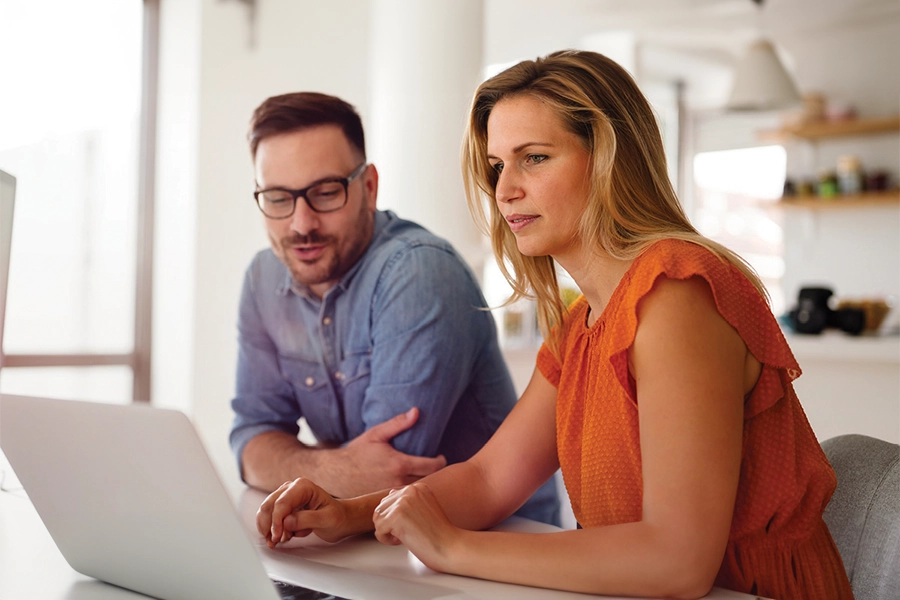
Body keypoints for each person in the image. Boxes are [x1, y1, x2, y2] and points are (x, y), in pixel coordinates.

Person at [256, 53, 856, 599]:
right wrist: (349, 512)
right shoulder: (581, 324)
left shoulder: (677, 294)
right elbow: (491, 479)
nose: (506, 189)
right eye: (496, 166)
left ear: (608, 160)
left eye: (535, 158)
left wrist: (454, 547)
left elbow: (678, 562)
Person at [229, 91, 560, 525]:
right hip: (365, 544)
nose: (301, 223)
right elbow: (249, 440)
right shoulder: (263, 278)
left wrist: (289, 462)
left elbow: (388, 478)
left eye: (326, 193)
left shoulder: (420, 271)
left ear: (368, 188)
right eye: (277, 198)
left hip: (494, 552)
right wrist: (334, 468)